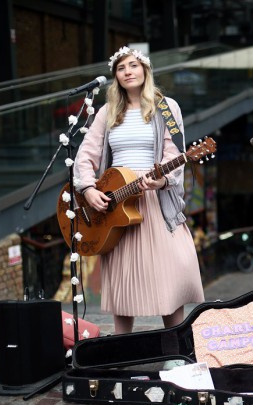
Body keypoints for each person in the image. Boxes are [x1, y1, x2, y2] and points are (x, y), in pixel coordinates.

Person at [73, 46, 205, 335]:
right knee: (123, 291)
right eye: (121, 68)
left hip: (154, 205)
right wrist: (88, 188)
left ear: (145, 70)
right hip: (115, 209)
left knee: (169, 281)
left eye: (133, 65)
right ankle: (121, 356)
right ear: (115, 76)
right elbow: (86, 155)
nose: (127, 71)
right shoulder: (108, 112)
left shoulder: (167, 107)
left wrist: (162, 180)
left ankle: (175, 354)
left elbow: (175, 154)